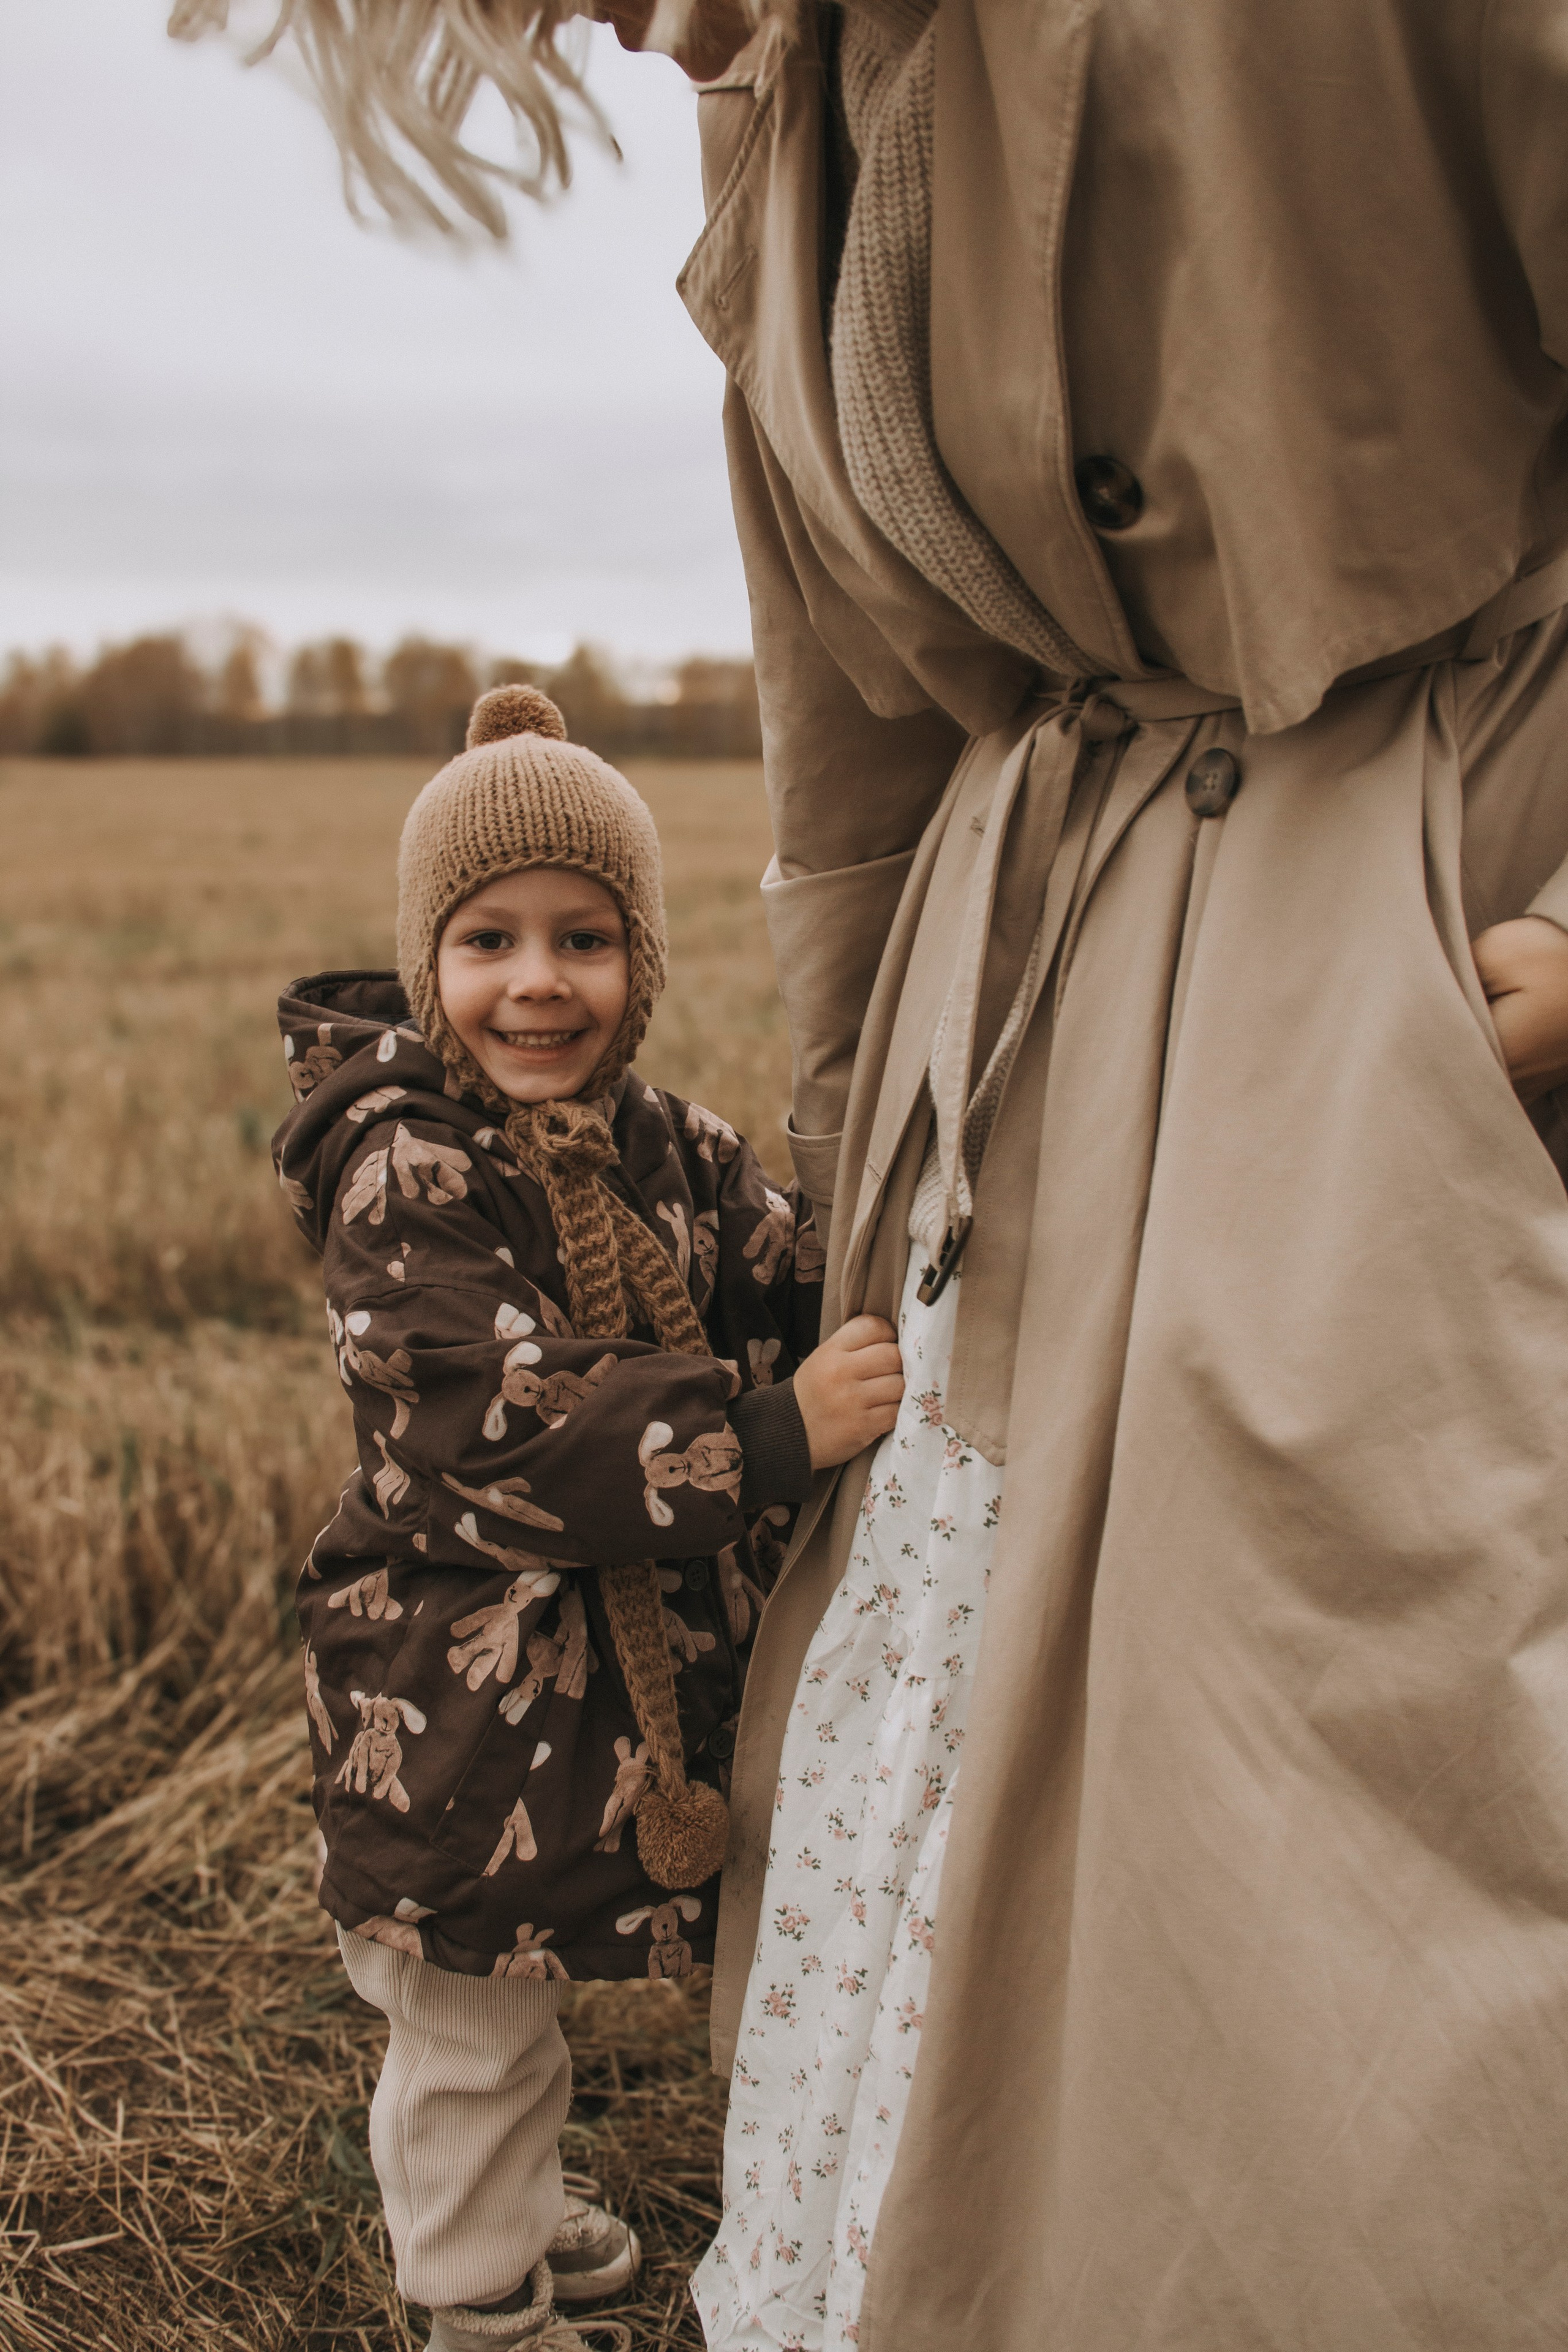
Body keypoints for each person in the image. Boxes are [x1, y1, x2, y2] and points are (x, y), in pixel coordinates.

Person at [201, 2, 1568, 2343]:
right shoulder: (774, 121)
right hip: (1009, 1058)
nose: (611, 30)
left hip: (1411, 966)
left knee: (1329, 1839)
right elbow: (855, 762)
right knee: (955, 1816)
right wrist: (854, 1189)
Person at [270, 682, 904, 2352]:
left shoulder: (658, 1142)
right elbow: (507, 1426)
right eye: (489, 941)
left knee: (517, 2007)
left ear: (641, 963)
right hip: (447, 1705)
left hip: (571, 1710)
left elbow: (778, 1272)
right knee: (469, 2026)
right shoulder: (403, 1174)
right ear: (429, 966)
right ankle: (475, 2304)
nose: (539, 981)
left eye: (585, 938)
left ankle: (510, 2203)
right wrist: (766, 1439)